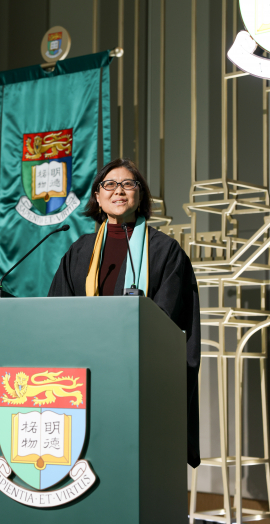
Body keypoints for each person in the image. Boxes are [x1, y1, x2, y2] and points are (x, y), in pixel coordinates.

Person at [48, 158, 201, 468]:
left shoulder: (164, 251)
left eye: (128, 184)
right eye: (109, 185)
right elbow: (57, 311)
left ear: (140, 195)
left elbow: (166, 321)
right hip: (81, 378)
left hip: (137, 378)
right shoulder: (80, 251)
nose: (118, 191)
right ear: (97, 196)